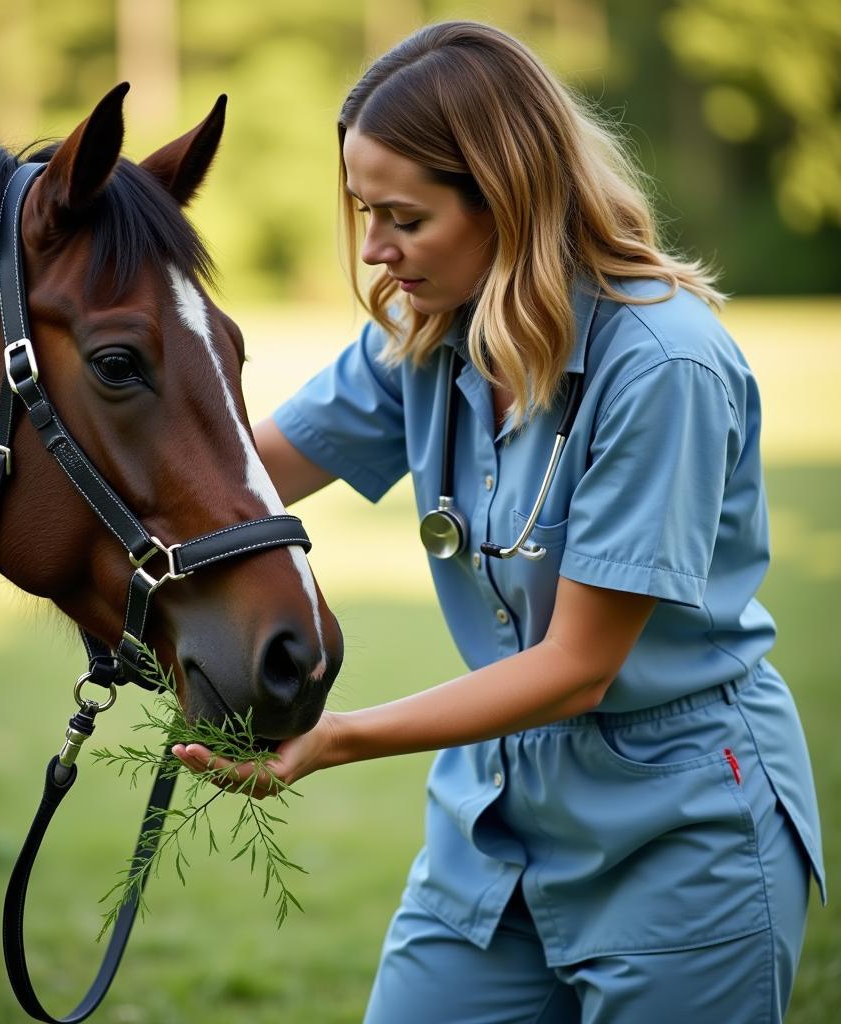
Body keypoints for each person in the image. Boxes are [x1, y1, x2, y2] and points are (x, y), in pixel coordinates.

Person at [172, 20, 824, 1023]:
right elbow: (239, 478)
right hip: (490, 830)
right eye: (361, 213)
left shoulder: (663, 366)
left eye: (404, 217)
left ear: (509, 198)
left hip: (680, 832)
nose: (375, 254)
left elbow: (577, 666)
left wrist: (335, 736)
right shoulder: (421, 333)